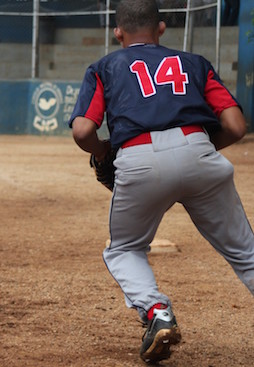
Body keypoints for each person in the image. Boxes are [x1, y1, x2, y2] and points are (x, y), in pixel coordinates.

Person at [69, 0, 254, 363]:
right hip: (201, 152)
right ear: (162, 29)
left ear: (118, 32)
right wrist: (196, 148)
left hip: (138, 159)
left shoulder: (104, 67)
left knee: (123, 249)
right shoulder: (195, 63)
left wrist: (104, 152)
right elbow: (236, 127)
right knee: (246, 253)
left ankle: (157, 312)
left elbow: (82, 131)